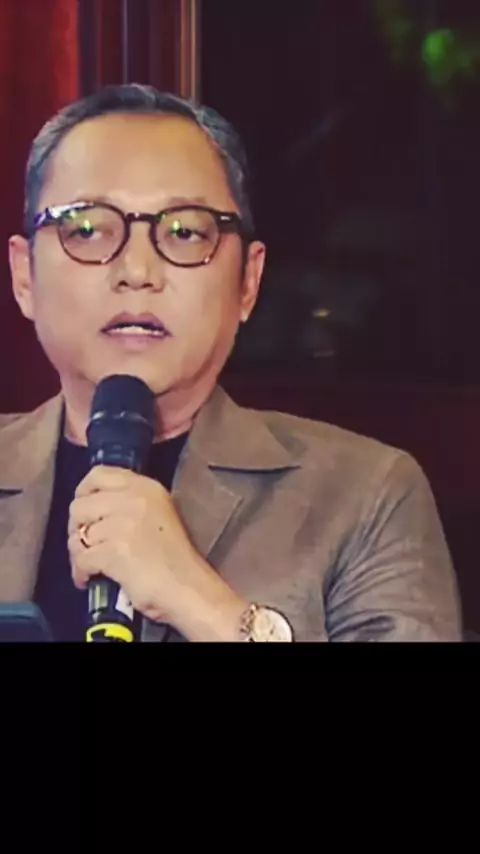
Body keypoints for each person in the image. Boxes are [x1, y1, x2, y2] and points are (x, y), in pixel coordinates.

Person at [0, 83, 461, 642]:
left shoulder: (364, 494)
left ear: (248, 281)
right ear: (24, 277)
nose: (138, 271)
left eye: (185, 232)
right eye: (89, 229)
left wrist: (201, 602)